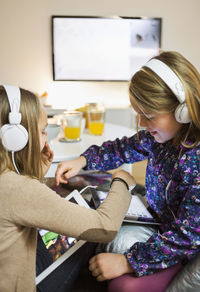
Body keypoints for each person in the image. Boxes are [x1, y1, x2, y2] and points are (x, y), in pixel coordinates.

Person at [55, 51, 200, 292]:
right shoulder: (162, 138)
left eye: (149, 116)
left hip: (182, 243)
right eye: (139, 115)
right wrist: (84, 159)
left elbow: (187, 237)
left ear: (182, 110)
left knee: (123, 285)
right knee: (90, 222)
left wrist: (127, 261)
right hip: (159, 221)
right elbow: (124, 148)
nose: (142, 124)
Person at [0, 85, 135, 292]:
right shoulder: (18, 189)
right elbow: (104, 227)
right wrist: (123, 180)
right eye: (43, 131)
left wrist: (34, 172)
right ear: (15, 138)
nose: (47, 138)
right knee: (88, 234)